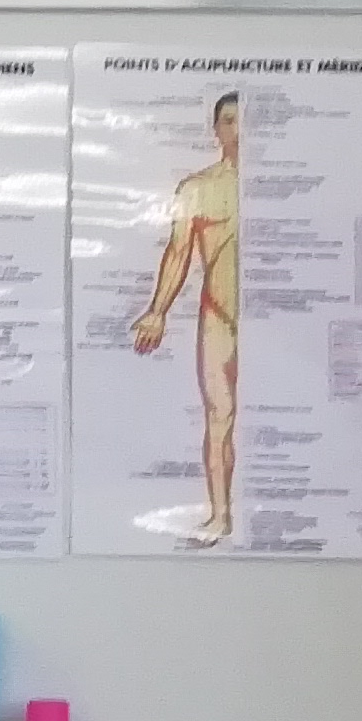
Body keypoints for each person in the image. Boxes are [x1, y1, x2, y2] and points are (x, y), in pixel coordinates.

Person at [130, 92, 242, 547]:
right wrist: (157, 312)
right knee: (219, 416)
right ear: (216, 129)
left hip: (276, 321)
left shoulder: (289, 186)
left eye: (243, 119)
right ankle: (220, 515)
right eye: (228, 120)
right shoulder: (197, 188)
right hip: (220, 315)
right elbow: (178, 253)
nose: (237, 128)